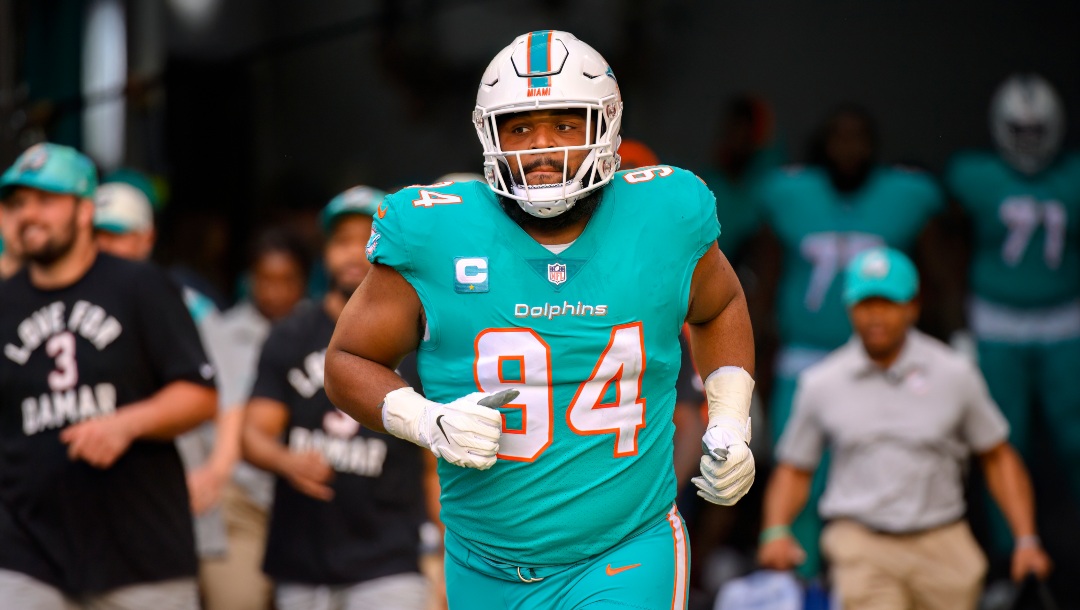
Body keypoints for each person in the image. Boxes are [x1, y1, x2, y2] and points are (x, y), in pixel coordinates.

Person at [324, 30, 756, 609]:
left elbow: (720, 304)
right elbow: (348, 359)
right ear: (488, 133)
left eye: (565, 123)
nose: (542, 147)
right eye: (520, 127)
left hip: (626, 549)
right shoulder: (434, 232)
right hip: (483, 559)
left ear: (605, 125)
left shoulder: (664, 215)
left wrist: (730, 419)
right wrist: (424, 419)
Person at [757, 247, 1052, 609]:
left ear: (913, 305)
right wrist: (776, 530)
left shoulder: (953, 373)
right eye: (865, 304)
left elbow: (998, 457)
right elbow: (794, 468)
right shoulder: (822, 382)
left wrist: (1026, 540)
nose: (876, 316)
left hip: (942, 540)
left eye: (888, 303)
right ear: (850, 308)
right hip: (861, 541)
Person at [0, 143, 217, 607]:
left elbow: (200, 394)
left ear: (84, 210)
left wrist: (125, 424)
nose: (29, 214)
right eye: (16, 203)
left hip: (139, 551)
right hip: (26, 549)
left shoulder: (139, 285)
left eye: (46, 200)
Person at [755, 104, 944, 577]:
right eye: (838, 136)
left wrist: (948, 340)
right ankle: (797, 579)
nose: (848, 148)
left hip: (879, 360)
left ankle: (868, 579)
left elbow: (935, 275)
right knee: (797, 470)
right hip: (804, 359)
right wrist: (751, 360)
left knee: (884, 469)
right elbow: (765, 282)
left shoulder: (907, 196)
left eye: (859, 137)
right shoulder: (790, 195)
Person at [242, 186, 429, 609]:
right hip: (303, 562)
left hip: (390, 561)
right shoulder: (291, 333)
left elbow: (433, 462)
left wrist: (443, 547)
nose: (352, 253)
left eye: (367, 240)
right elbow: (253, 434)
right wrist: (285, 460)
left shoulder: (422, 337)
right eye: (342, 241)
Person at [944, 73, 1080, 563]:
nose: (1028, 143)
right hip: (996, 318)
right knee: (1002, 438)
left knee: (1074, 437)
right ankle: (1010, 552)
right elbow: (950, 248)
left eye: (1037, 132)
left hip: (1066, 318)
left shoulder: (1072, 176)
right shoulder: (973, 176)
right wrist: (958, 324)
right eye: (1018, 132)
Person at [200, 226, 313, 610]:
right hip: (241, 499)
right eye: (265, 279)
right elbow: (222, 413)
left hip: (309, 503)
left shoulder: (328, 332)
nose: (275, 292)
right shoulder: (219, 333)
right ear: (249, 279)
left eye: (287, 280)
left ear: (306, 280)